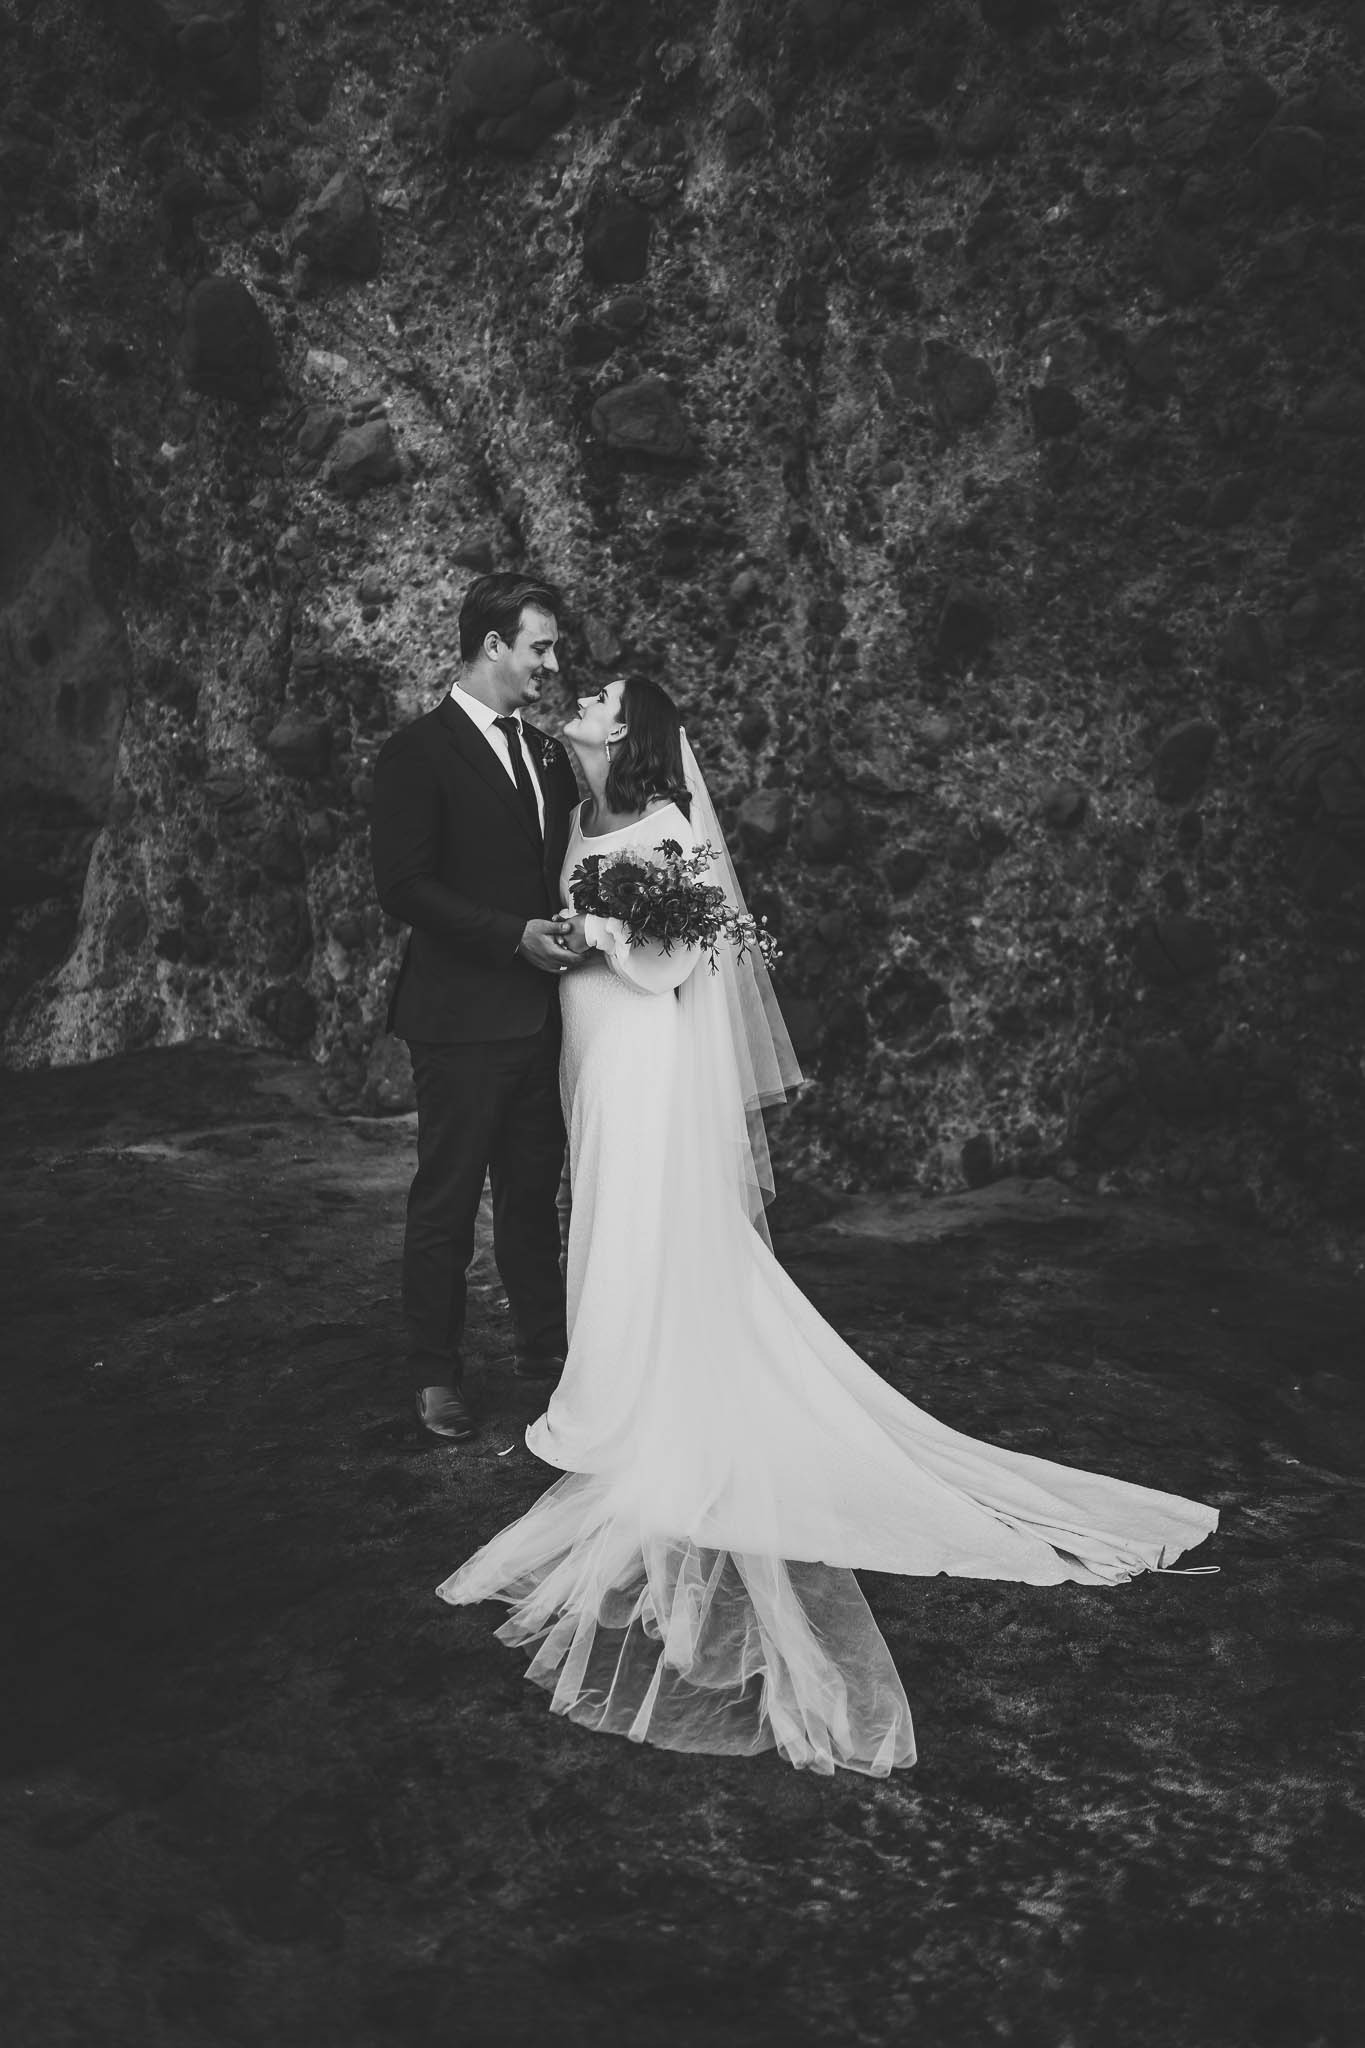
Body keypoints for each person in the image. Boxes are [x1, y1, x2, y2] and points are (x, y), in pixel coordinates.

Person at [437, 677, 1219, 1776]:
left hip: (643, 1053)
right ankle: (598, 1384)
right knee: (602, 1210)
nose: (580, 695)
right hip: (590, 1053)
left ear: (631, 730)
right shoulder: (579, 815)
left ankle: (628, 1400)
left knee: (646, 1216)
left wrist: (603, 931)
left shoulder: (666, 825)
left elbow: (675, 962)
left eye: (600, 694)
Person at [371, 572, 584, 1445]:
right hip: (458, 1019)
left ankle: (547, 1357)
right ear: (492, 645)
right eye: (540, 646)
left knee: (535, 1200)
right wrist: (512, 936)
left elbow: (563, 866)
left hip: (542, 1018)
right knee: (448, 1201)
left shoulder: (544, 753)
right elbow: (405, 886)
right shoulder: (415, 753)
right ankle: (434, 1373)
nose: (551, 663)